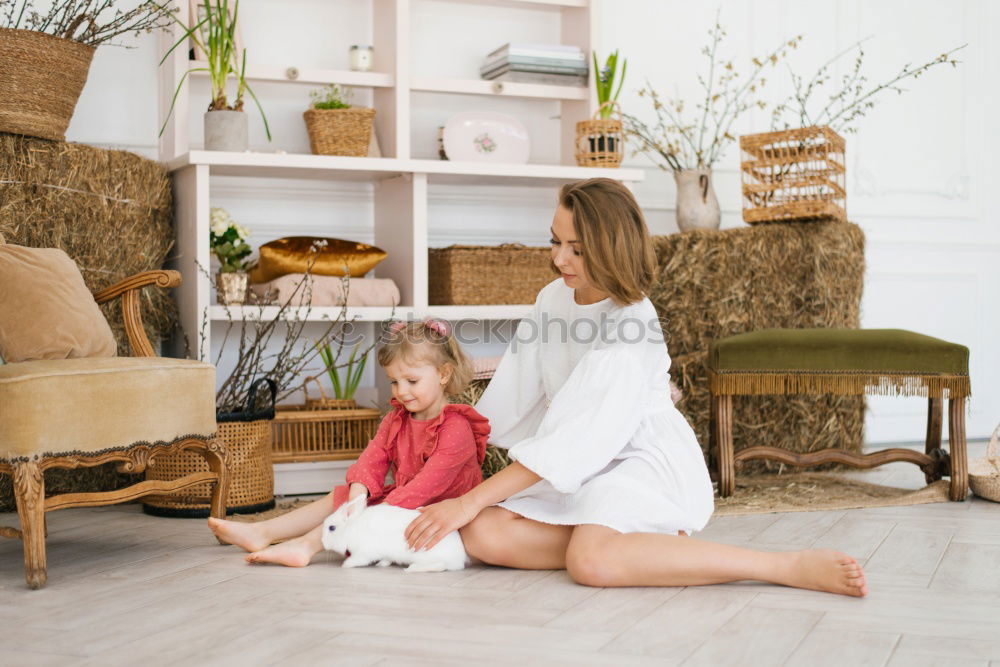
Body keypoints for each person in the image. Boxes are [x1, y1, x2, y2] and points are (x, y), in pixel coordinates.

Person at [403, 178, 868, 597]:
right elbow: (516, 395)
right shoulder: (552, 297)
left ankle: (782, 566)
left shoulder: (632, 322)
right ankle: (642, 543)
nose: (559, 258)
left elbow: (578, 437)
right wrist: (438, 440)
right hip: (580, 461)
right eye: (555, 241)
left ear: (611, 249)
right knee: (484, 533)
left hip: (637, 456)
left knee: (590, 561)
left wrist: (466, 500)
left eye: (577, 250)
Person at [207, 319, 491, 567]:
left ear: (443, 374)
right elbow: (374, 456)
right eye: (394, 382)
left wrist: (366, 511)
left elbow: (427, 488)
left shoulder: (456, 427)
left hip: (436, 514)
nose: (401, 391)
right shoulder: (397, 419)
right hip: (405, 502)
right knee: (342, 497)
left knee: (360, 509)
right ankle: (264, 532)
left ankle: (305, 546)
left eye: (412, 381)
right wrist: (359, 492)